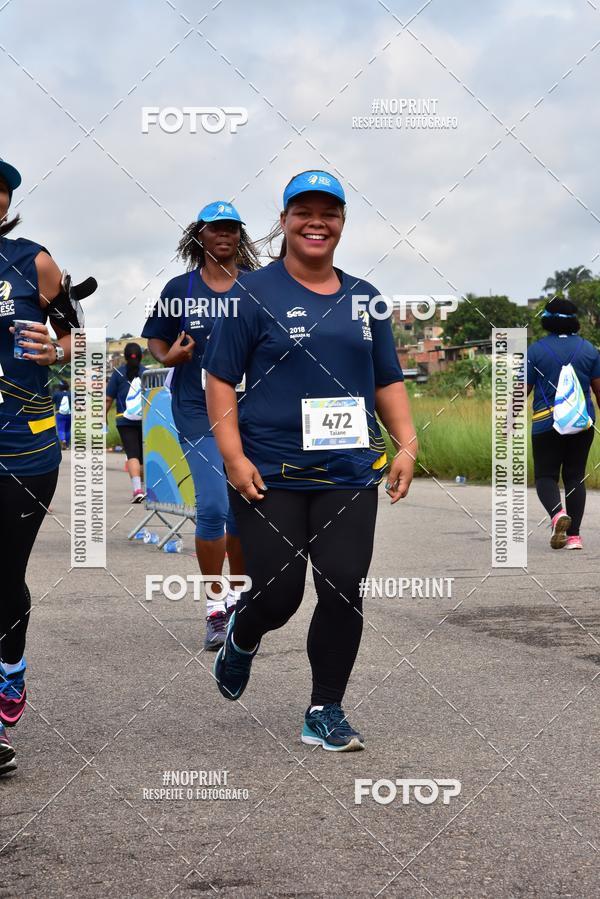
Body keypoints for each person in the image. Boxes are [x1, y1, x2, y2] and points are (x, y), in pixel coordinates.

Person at [204, 170, 417, 751]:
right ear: (284, 220)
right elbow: (220, 382)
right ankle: (242, 636)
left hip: (348, 469)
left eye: (329, 212)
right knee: (279, 594)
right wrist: (232, 456)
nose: (316, 222)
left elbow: (388, 380)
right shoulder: (251, 294)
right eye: (304, 211)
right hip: (269, 470)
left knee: (344, 586)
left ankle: (325, 709)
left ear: (342, 223)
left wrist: (407, 443)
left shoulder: (365, 298)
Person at [142, 202, 259, 650]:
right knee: (212, 507)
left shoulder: (257, 286)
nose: (224, 236)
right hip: (197, 408)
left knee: (243, 512)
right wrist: (165, 356)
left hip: (253, 411)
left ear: (239, 236)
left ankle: (241, 602)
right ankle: (215, 606)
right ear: (201, 236)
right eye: (216, 229)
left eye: (232, 228)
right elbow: (156, 336)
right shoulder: (181, 287)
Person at [0, 157, 74, 774]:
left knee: (5, 575)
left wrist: (60, 346)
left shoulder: (35, 261)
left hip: (24, 447)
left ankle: (10, 666)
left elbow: (81, 336)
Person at [528, 297, 600, 550]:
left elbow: (520, 392)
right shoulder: (590, 350)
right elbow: (599, 391)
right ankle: (575, 538)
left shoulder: (535, 351)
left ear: (547, 320)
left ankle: (558, 515)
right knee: (575, 477)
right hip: (582, 424)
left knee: (546, 476)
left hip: (545, 424)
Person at [106, 342, 146, 503]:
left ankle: (137, 489)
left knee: (132, 453)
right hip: (145, 419)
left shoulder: (117, 373)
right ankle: (144, 487)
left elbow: (108, 398)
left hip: (124, 419)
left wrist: (102, 419)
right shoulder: (148, 373)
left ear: (125, 356)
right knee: (143, 455)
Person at [53, 379, 71, 449]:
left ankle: (63, 440)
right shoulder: (71, 394)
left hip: (59, 414)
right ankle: (67, 445)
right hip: (70, 414)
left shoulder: (56, 394)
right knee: (67, 429)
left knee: (61, 429)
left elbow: (52, 402)